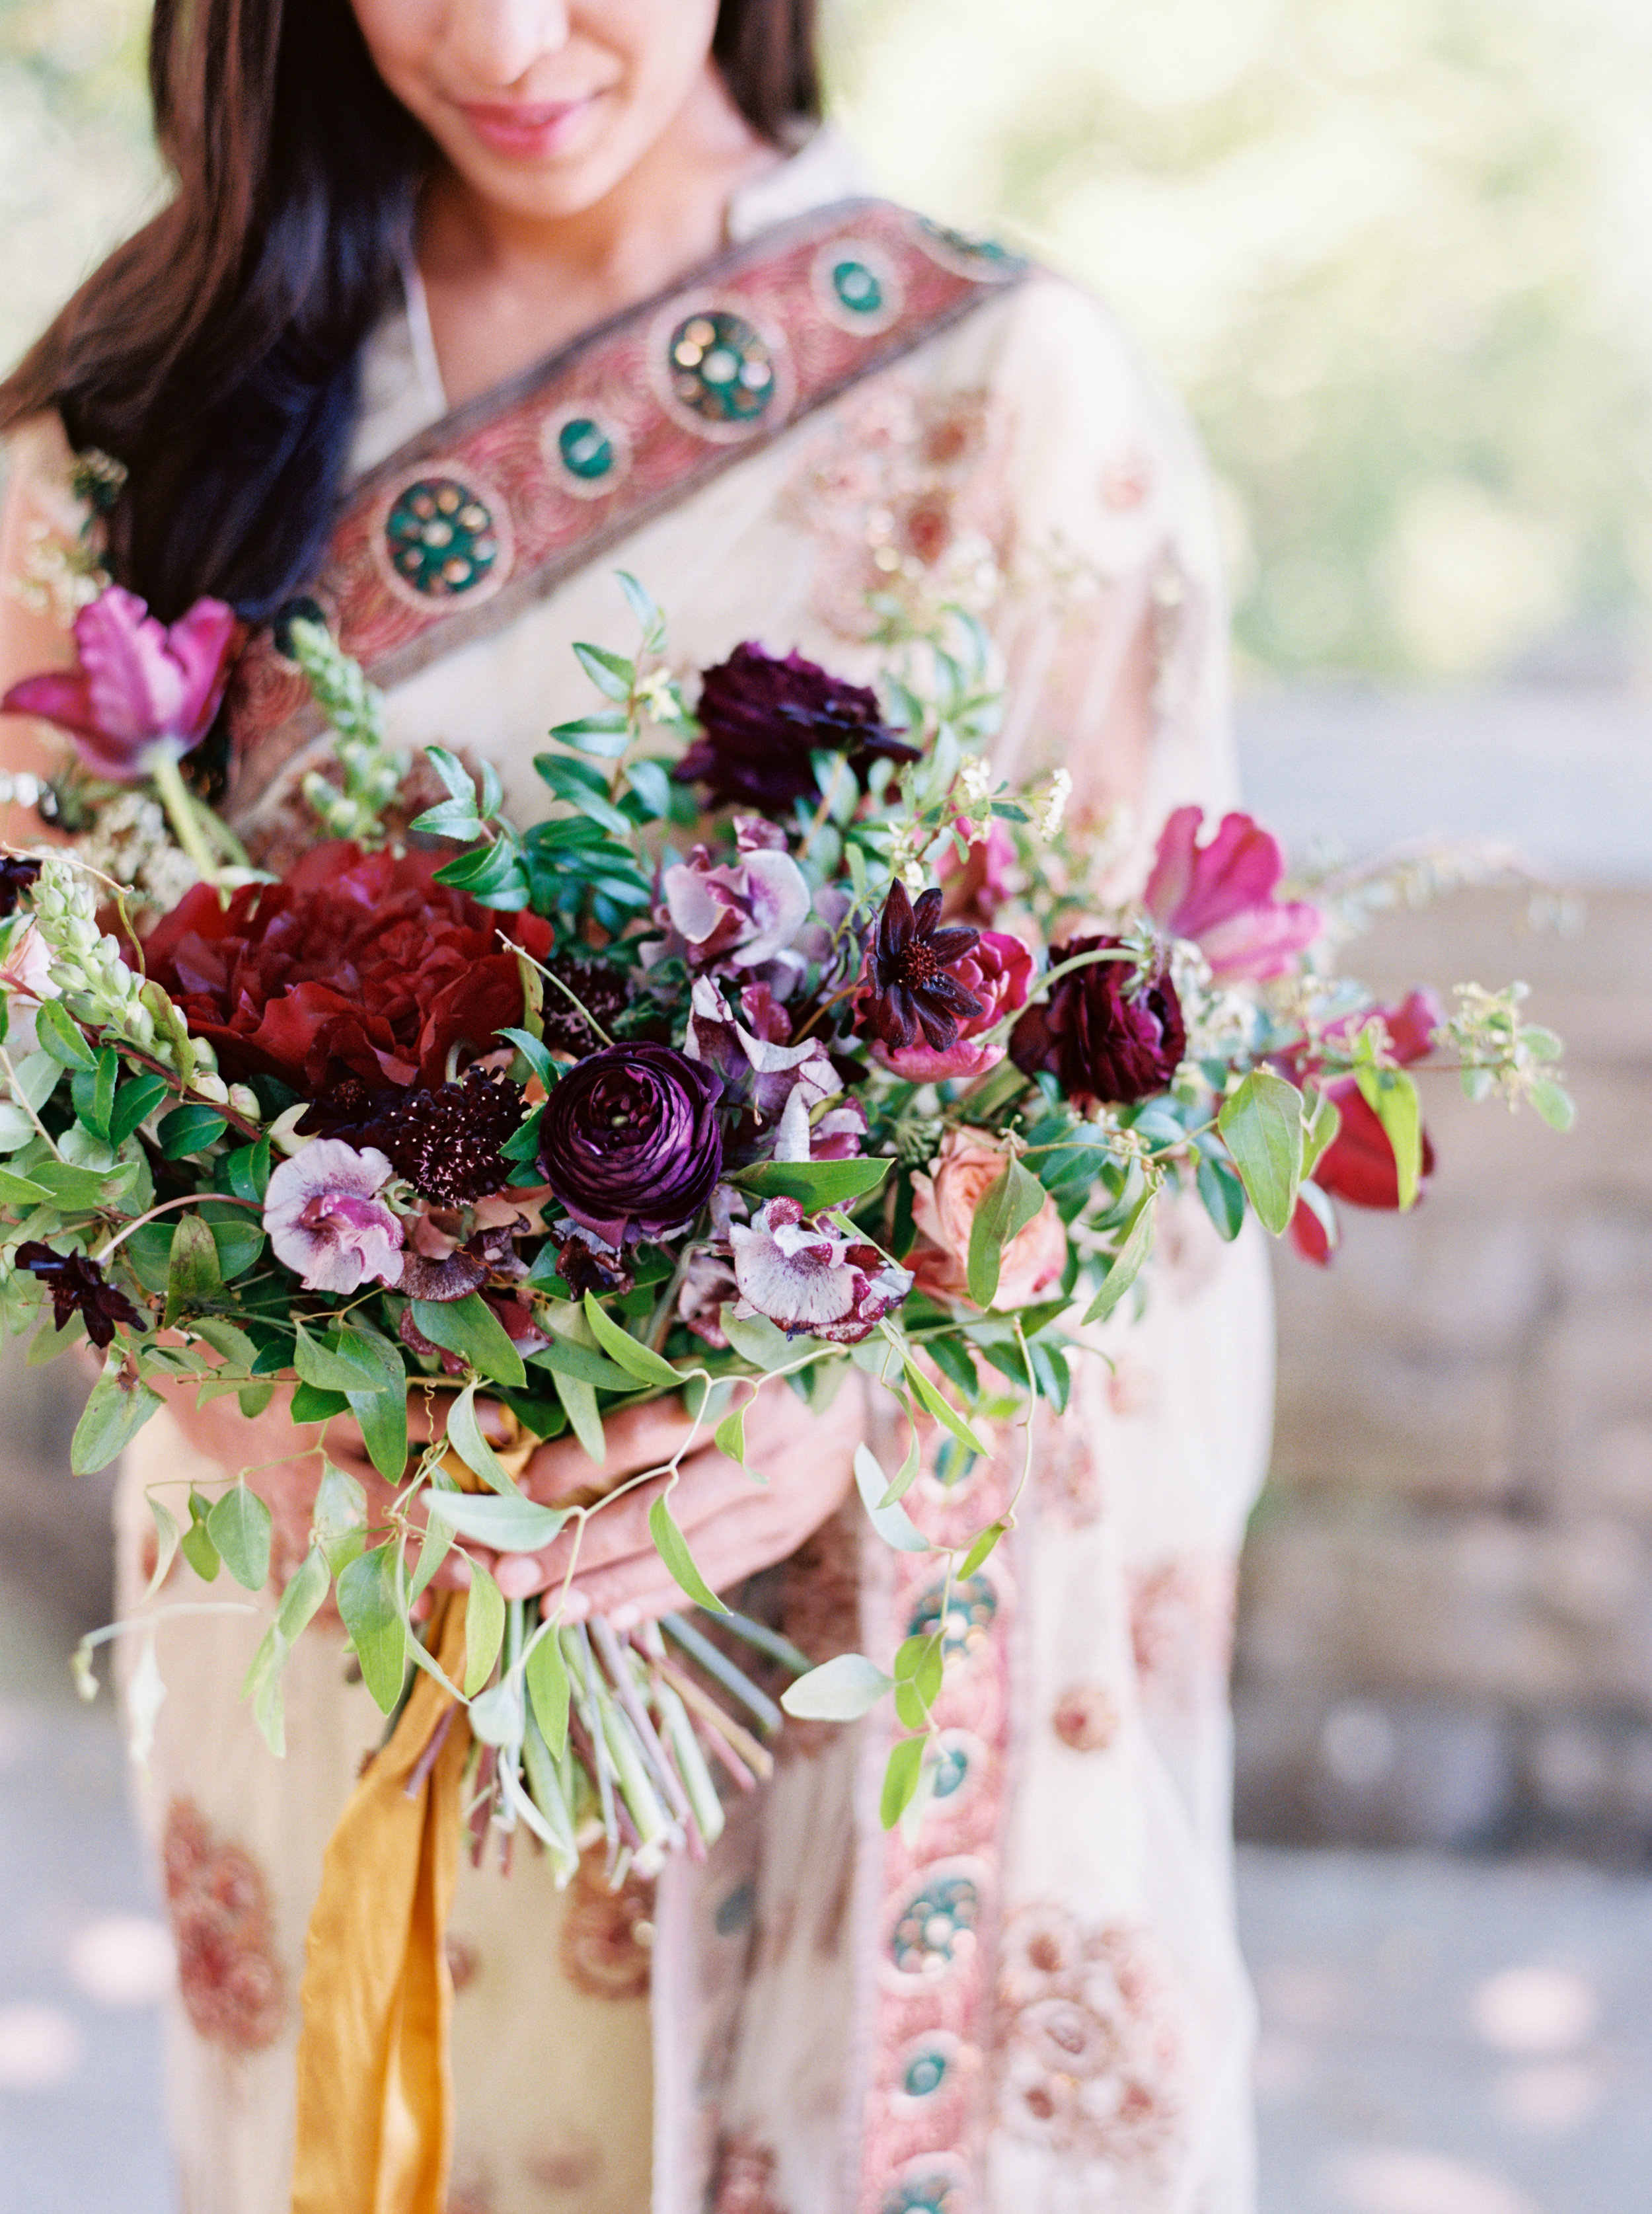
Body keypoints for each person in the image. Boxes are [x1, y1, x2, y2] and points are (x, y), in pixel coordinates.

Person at [0, 4, 1275, 2209]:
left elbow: (1132, 1088)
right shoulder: (150, 412)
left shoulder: (993, 397)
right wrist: (249, 1386)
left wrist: (852, 1410)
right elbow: (38, 1027)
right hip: (336, 1611)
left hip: (829, 1670)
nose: (496, 38)